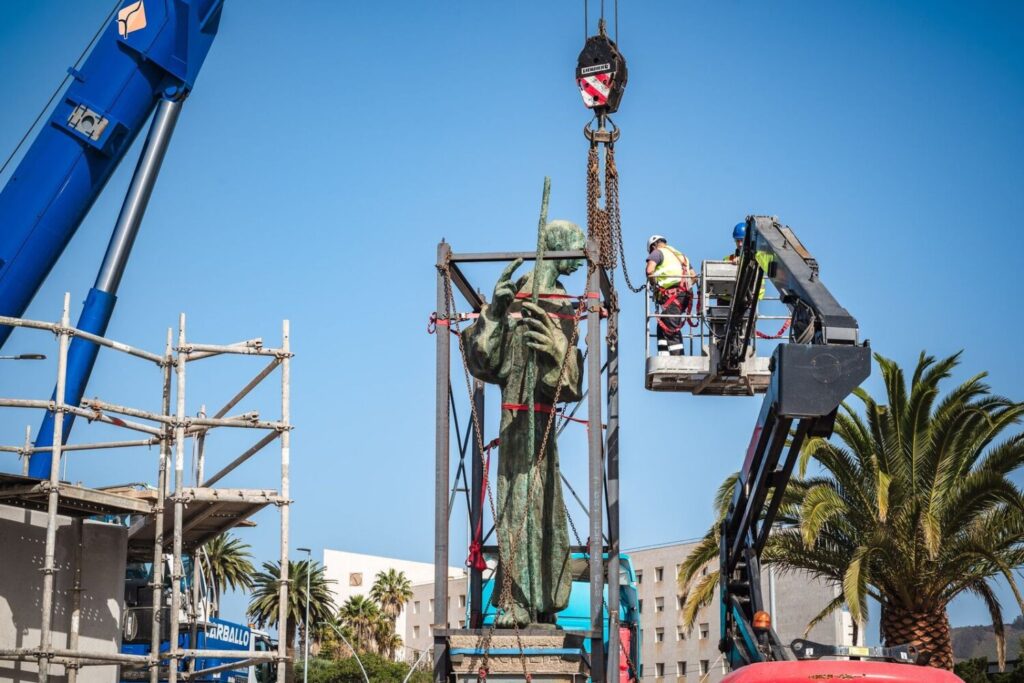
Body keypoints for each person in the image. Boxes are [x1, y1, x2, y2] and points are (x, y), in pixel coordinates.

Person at [462, 219, 584, 628]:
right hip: (515, 421)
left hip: (542, 426)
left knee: (546, 509)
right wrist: (496, 312)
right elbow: (485, 363)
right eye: (576, 247)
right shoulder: (517, 297)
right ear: (556, 247)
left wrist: (555, 349)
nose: (580, 257)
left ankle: (545, 598)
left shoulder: (562, 305)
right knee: (516, 505)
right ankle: (513, 599)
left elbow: (569, 383)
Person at [646, 234, 695, 356]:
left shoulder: (657, 252)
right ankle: (664, 356)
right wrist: (684, 287)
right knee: (662, 326)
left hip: (674, 296)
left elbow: (649, 271)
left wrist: (655, 286)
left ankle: (678, 360)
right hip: (684, 297)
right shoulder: (681, 256)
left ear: (653, 246)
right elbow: (694, 277)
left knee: (670, 329)